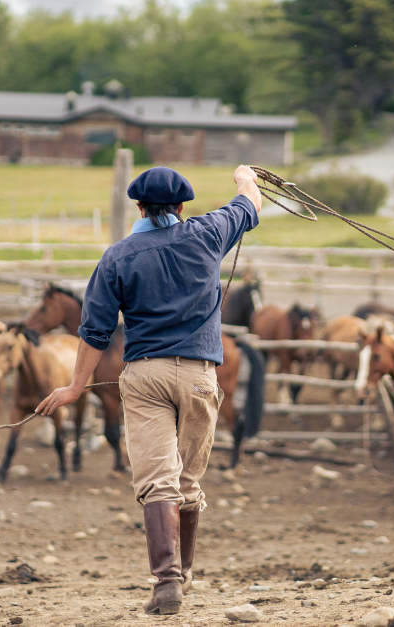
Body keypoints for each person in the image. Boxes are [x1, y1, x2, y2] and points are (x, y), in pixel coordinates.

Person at [36, 165, 262, 615]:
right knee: (188, 481)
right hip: (200, 374)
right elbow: (251, 203)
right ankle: (187, 573)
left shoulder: (118, 256)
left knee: (157, 480)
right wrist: (244, 176)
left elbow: (95, 332)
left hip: (144, 377)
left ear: (139, 207)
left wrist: (76, 387)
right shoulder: (208, 233)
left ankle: (167, 584)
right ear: (181, 207)